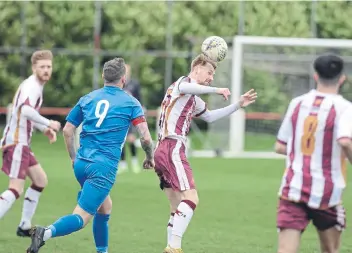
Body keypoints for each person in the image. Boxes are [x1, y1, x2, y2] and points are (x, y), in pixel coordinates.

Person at [26, 57, 154, 253]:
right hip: (102, 168)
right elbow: (145, 138)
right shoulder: (131, 103)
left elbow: (68, 130)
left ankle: (101, 251)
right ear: (124, 79)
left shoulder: (87, 98)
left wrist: (73, 157)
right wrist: (149, 157)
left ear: (103, 76)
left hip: (81, 164)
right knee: (82, 217)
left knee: (105, 207)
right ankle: (45, 233)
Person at [152, 54, 257, 253]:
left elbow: (209, 117)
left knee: (176, 208)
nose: (211, 77)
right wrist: (216, 90)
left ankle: (171, 245)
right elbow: (188, 87)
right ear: (197, 67)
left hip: (162, 150)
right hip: (172, 147)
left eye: (213, 75)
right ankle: (174, 248)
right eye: (209, 72)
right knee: (191, 198)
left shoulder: (192, 98)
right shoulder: (182, 84)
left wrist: (238, 105)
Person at [274, 54, 352, 253]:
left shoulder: (297, 103)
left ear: (315, 76)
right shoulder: (344, 108)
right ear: (342, 78)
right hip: (327, 193)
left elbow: (280, 146)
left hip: (294, 188)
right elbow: (345, 141)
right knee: (330, 251)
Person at [0, 50, 61, 237]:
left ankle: (24, 226)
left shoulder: (35, 86)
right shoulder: (31, 86)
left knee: (40, 180)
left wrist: (44, 130)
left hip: (22, 143)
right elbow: (25, 110)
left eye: (48, 67)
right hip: (17, 143)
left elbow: (25, 113)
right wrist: (48, 122)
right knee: (15, 188)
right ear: (34, 68)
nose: (46, 70)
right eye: (42, 67)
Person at [119, 64, 143, 174]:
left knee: (131, 139)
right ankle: (122, 164)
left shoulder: (134, 84)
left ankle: (134, 162)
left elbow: (139, 99)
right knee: (121, 140)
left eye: (128, 70)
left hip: (131, 115)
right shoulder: (118, 84)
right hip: (120, 116)